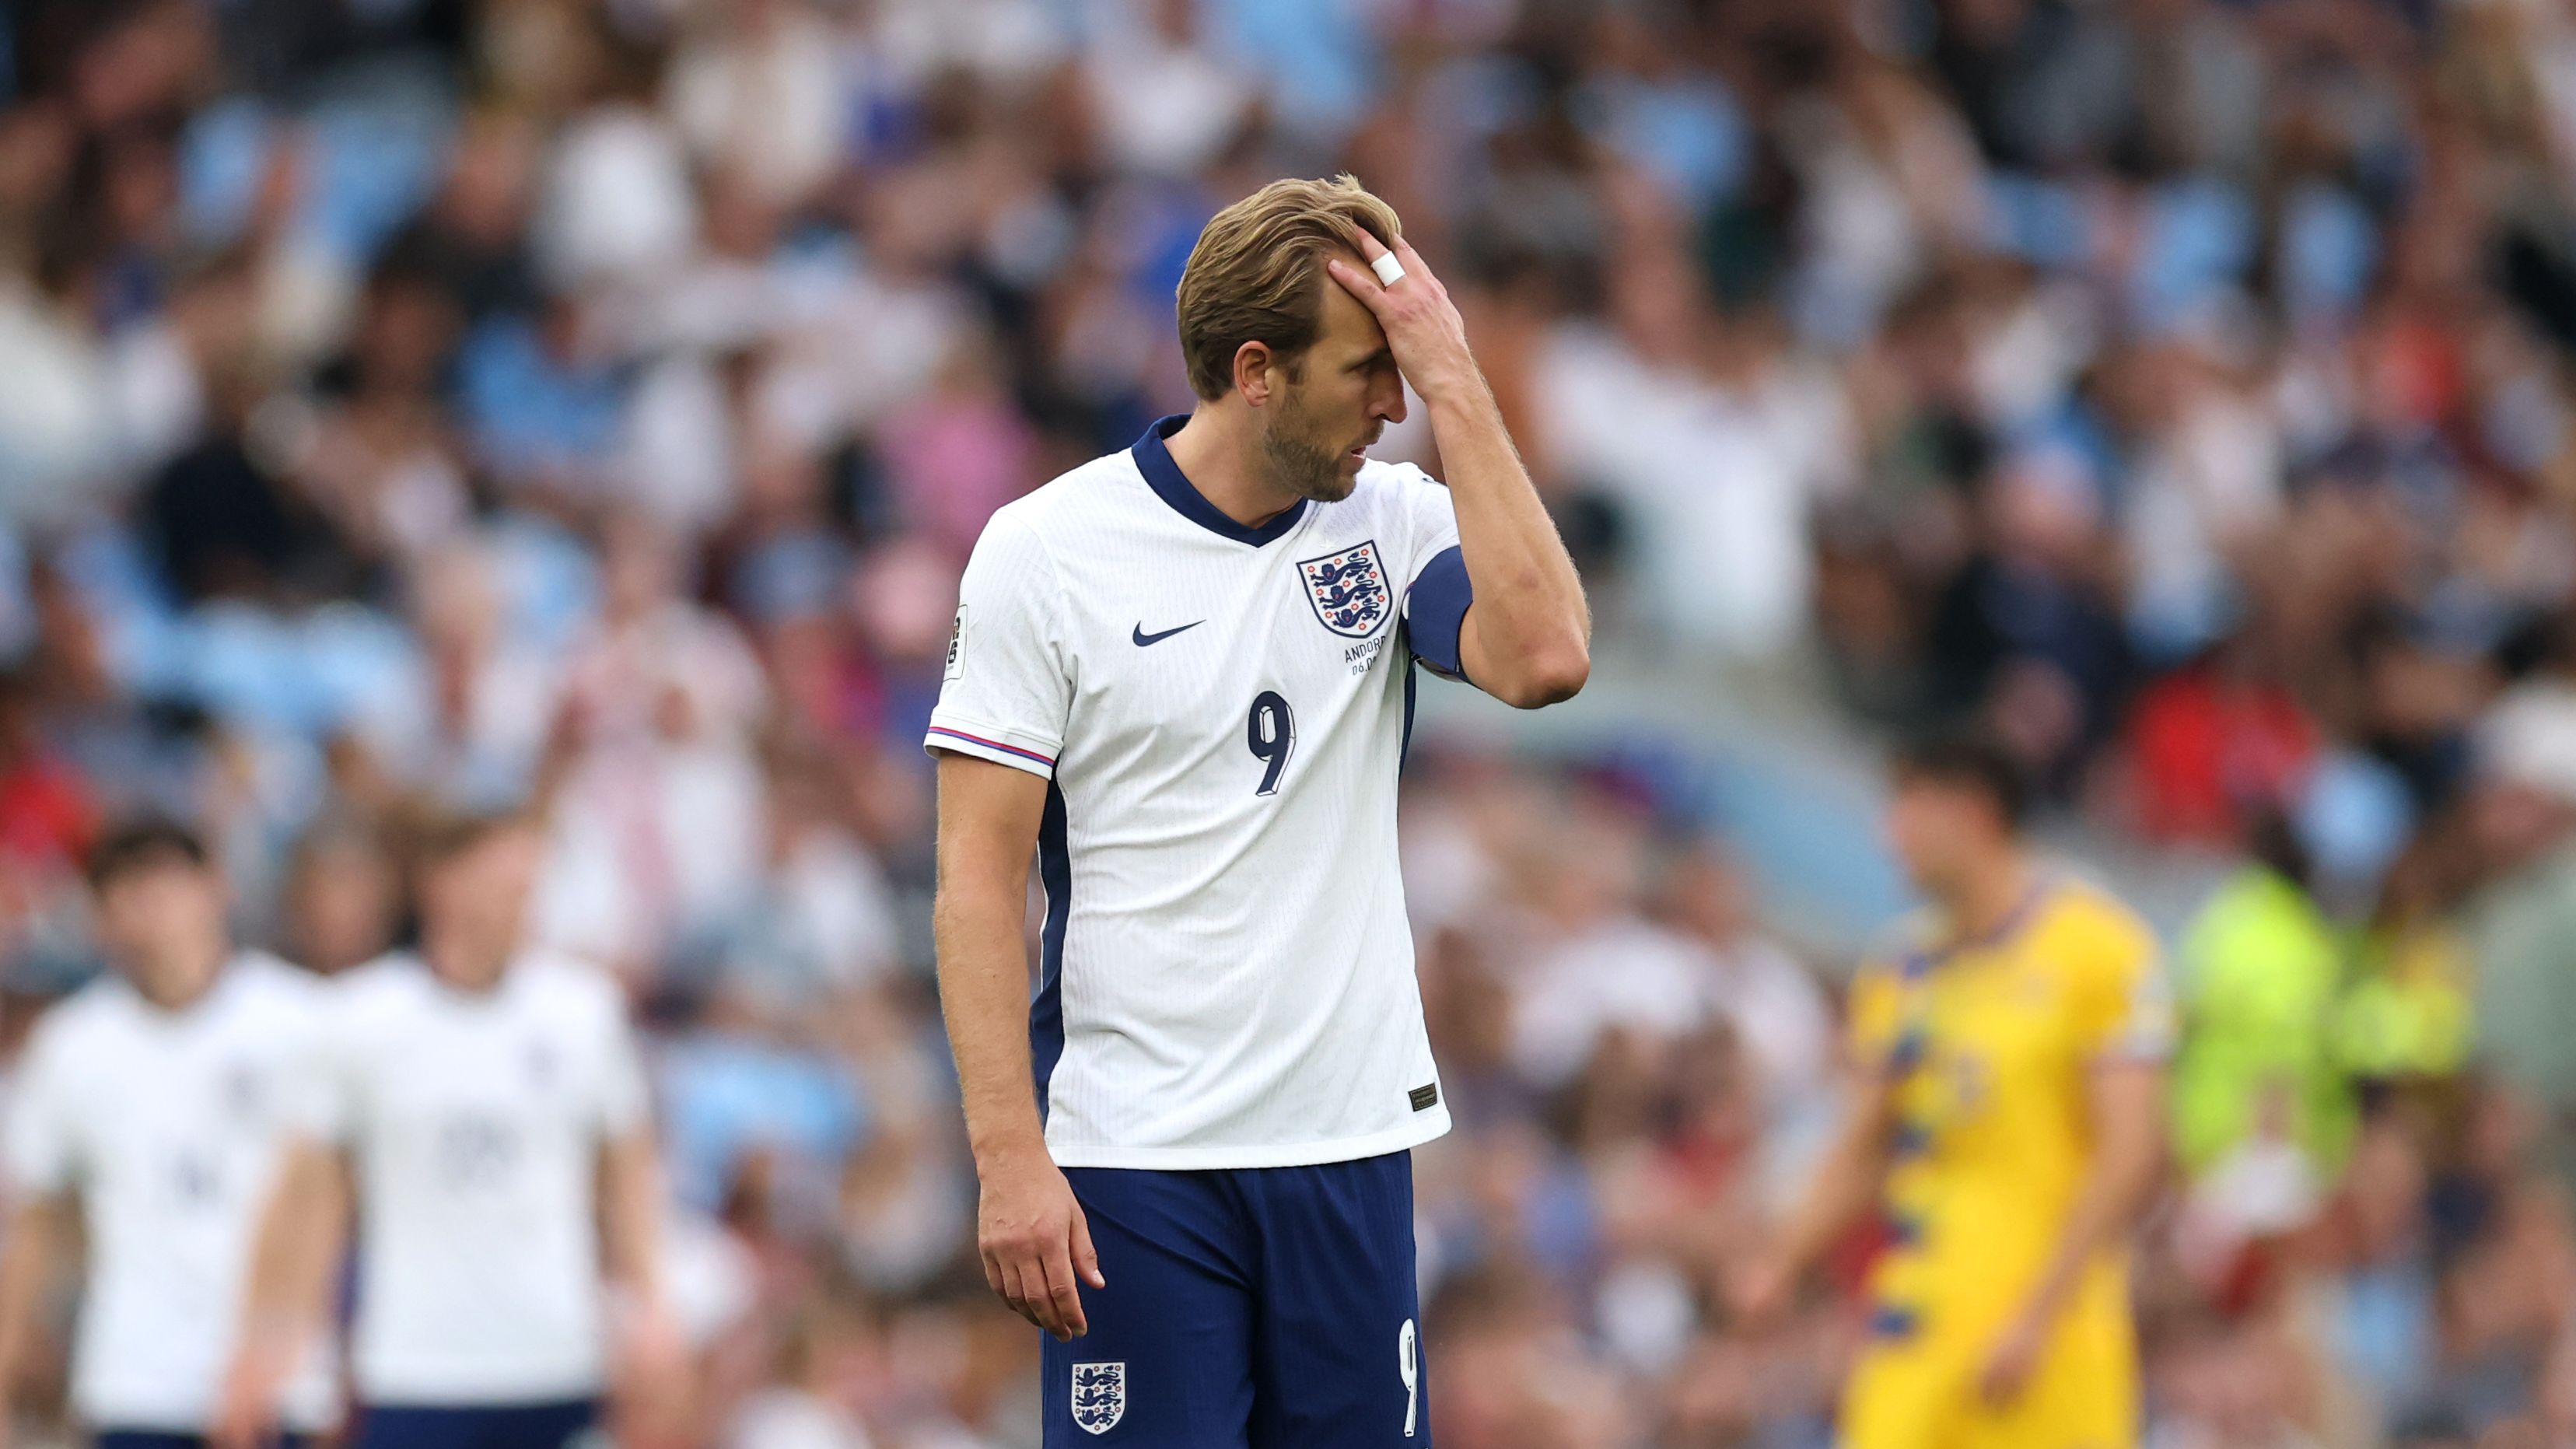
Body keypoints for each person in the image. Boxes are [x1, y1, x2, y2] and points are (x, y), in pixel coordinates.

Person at [928, 173, 1589, 1446]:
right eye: (1366, 371)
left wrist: (1460, 381)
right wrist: (1010, 1154)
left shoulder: (1392, 525)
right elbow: (972, 875)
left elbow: (1547, 653)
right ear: (1255, 370)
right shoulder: (1047, 549)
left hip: (1346, 1146)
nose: (1390, 406)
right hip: (1137, 1156)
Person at [1732, 735, 2172, 1449]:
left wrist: (2037, 1314)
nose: (1887, 833)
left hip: (2053, 1332)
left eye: (1906, 804)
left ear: (1972, 810)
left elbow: (2131, 1150)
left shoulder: (2097, 948)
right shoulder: (1903, 968)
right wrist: (1780, 1263)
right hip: (1919, 1314)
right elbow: (1865, 1145)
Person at [213, 809, 678, 1449]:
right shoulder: (361, 1021)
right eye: (506, 883)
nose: (524, 901)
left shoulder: (583, 1013)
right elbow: (309, 1198)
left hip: (555, 1356)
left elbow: (625, 1171)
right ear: (443, 883)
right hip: (416, 1364)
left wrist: (649, 1305)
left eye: (530, 885)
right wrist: (269, 1337)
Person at [0, 821, 334, 1449]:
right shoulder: (73, 1046)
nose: (152, 906)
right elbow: (35, 1223)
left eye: (168, 882)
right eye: (126, 890)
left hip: (277, 1383)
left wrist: (278, 1346)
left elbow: (328, 1206)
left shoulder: (301, 1021)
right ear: (101, 918)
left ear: (218, 888)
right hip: (137, 1378)